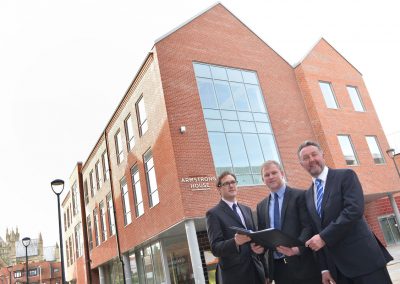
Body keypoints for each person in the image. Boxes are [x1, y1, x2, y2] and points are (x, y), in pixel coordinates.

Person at [298, 140, 393, 284]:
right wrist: (324, 269)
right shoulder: (308, 195)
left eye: (314, 154)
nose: (311, 160)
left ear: (322, 155)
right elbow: (316, 230)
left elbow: (354, 210)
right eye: (305, 158)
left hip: (364, 260)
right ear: (301, 164)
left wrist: (323, 237)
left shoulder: (345, 176)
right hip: (338, 270)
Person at [256, 160, 321, 284]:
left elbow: (308, 227)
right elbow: (263, 236)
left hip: (303, 264)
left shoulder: (300, 195)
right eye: (266, 175)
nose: (270, 177)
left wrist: (297, 249)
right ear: (263, 179)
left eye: (274, 173)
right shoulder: (261, 206)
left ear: (282, 173)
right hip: (279, 269)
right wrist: (259, 248)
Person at [206, 171, 265, 284]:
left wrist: (259, 248)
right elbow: (215, 248)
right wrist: (235, 242)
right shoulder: (213, 214)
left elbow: (256, 238)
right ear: (219, 189)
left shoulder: (247, 210)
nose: (231, 185)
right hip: (234, 276)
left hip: (256, 271)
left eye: (233, 182)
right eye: (226, 183)